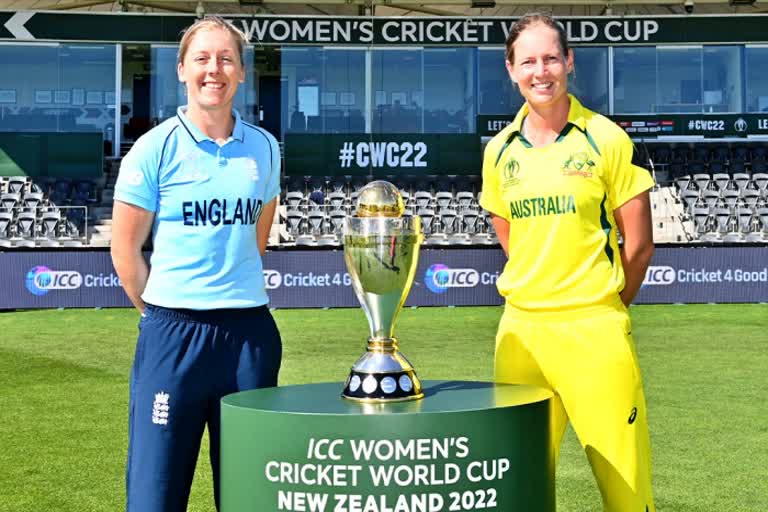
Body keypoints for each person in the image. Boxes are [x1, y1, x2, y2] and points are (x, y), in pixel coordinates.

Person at [480, 13, 656, 512]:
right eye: (529, 60)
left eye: (552, 58)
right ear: (511, 70)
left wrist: (601, 305)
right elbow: (512, 239)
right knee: (519, 489)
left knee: (626, 492)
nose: (542, 71)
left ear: (570, 63)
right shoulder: (498, 153)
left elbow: (639, 245)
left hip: (594, 332)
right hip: (521, 335)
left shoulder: (607, 138)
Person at [110, 16, 282, 512]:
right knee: (155, 496)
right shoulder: (154, 147)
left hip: (248, 337)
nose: (215, 69)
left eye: (226, 59)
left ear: (242, 73)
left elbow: (257, 237)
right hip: (172, 336)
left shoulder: (265, 149)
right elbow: (125, 251)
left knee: (249, 494)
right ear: (182, 70)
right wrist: (163, 312)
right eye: (202, 59)